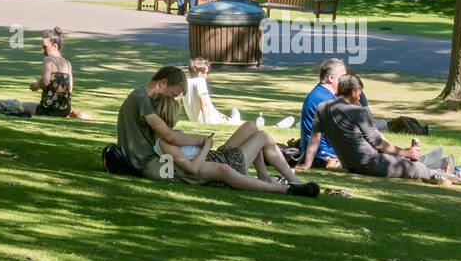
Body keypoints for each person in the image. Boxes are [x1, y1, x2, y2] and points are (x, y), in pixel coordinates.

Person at [114, 66, 319, 196]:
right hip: (154, 164)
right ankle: (287, 188)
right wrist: (203, 141)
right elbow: (168, 136)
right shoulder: (142, 99)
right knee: (226, 168)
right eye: (173, 95)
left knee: (251, 128)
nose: (173, 100)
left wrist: (203, 145)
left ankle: (276, 179)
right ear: (162, 84)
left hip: (182, 158)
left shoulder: (141, 97)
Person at [299, 74, 461, 184]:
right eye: (360, 93)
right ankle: (459, 176)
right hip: (371, 163)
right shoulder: (357, 112)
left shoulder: (322, 108)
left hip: (353, 164)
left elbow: (315, 137)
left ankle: (443, 164)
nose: (360, 97)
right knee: (417, 169)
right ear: (355, 92)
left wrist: (307, 163)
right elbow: (378, 144)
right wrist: (406, 151)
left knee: (407, 160)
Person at [181, 57, 239, 125]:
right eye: (206, 73)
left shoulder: (185, 82)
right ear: (200, 73)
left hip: (195, 120)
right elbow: (204, 104)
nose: (206, 76)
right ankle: (234, 120)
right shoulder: (200, 81)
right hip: (210, 120)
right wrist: (207, 123)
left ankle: (229, 118)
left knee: (224, 117)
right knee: (243, 124)